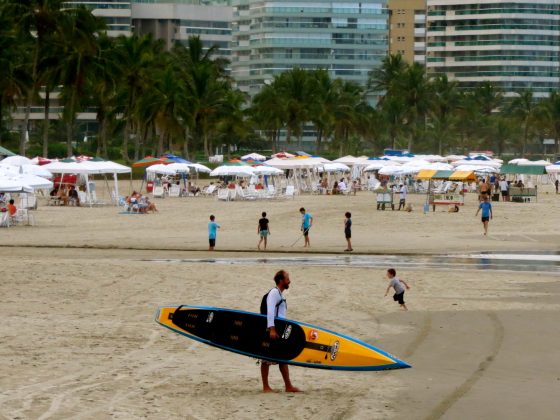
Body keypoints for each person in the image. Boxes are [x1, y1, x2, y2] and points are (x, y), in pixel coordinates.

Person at [261, 270, 301, 393]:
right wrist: (272, 329)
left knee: (283, 358)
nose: (289, 280)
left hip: (279, 330)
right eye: (287, 278)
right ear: (281, 280)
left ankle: (288, 386)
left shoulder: (280, 294)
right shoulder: (274, 293)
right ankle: (266, 387)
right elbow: (270, 311)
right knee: (266, 358)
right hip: (272, 330)